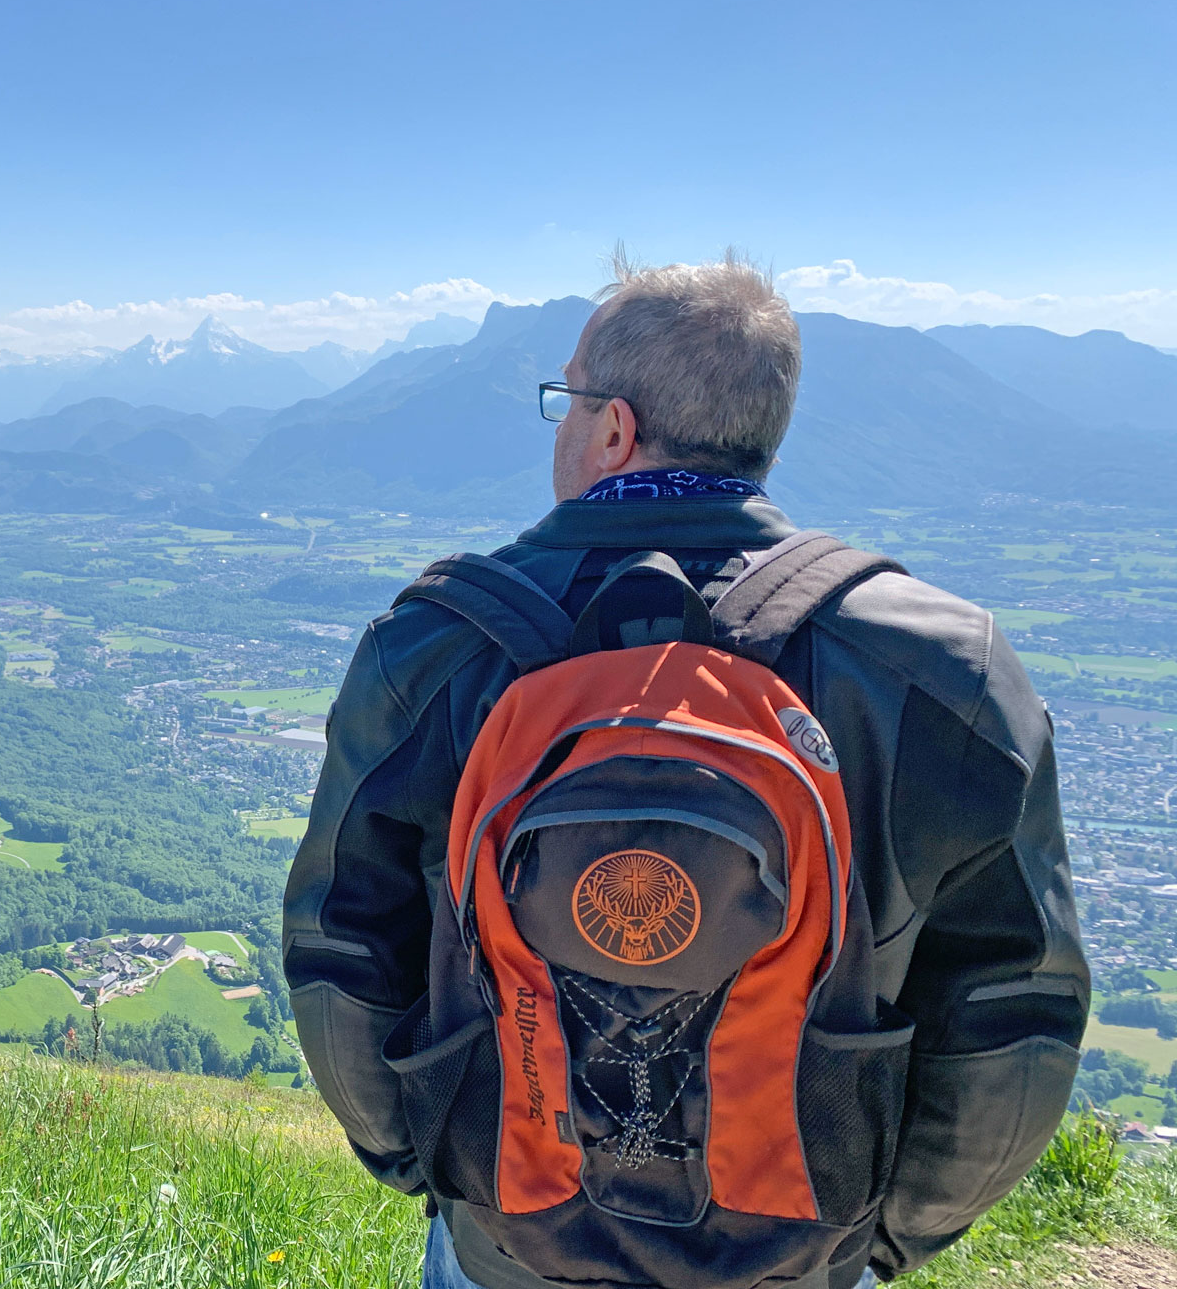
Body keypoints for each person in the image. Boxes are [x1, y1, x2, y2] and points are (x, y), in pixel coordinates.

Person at [283, 254, 1087, 1289]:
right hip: (799, 1251)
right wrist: (881, 1240)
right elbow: (1015, 1008)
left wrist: (434, 1172)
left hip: (511, 1239)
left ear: (614, 429)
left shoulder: (433, 652)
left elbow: (340, 948)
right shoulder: (945, 671)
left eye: (565, 400)